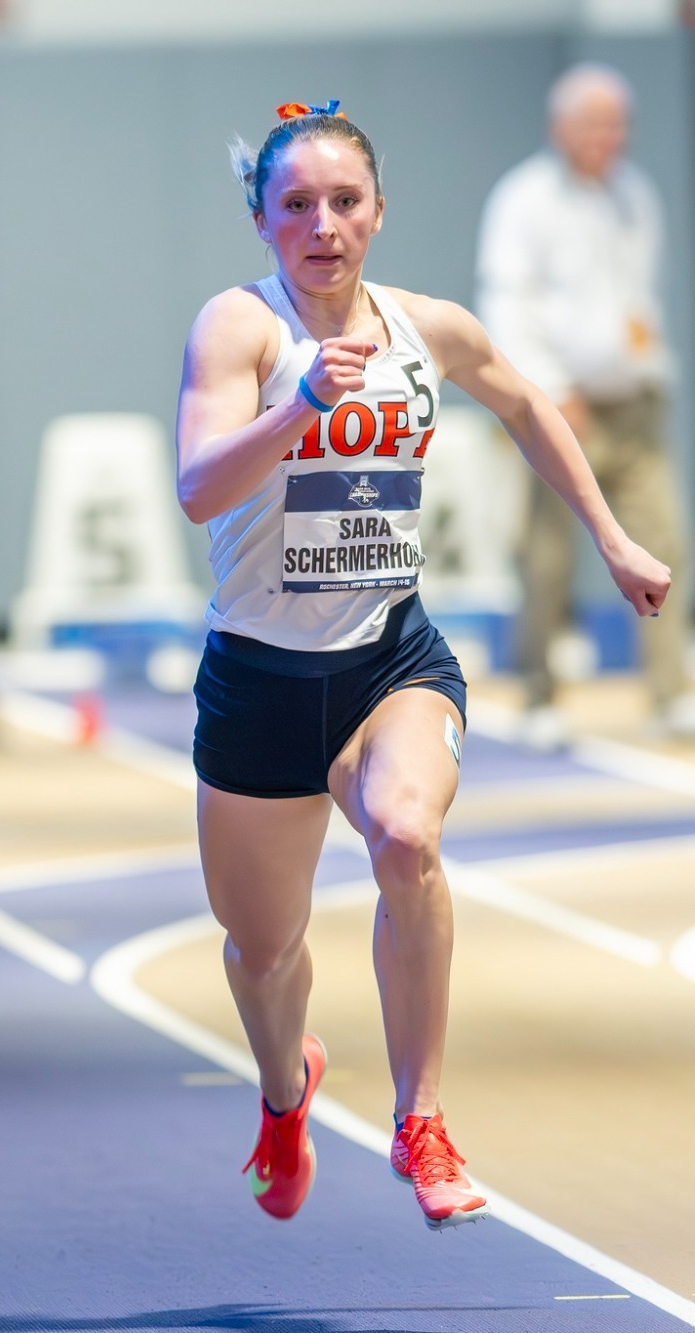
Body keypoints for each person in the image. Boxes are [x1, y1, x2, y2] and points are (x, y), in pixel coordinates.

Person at [175, 101, 669, 1231]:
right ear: (260, 219)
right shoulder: (238, 331)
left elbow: (525, 403)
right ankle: (282, 1090)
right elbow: (198, 484)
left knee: (405, 833)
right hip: (255, 683)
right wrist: (298, 404)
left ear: (378, 212)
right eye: (294, 204)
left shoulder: (425, 327)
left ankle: (419, 1117)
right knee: (261, 955)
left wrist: (608, 538)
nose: (321, 225)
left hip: (385, 662)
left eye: (343, 202)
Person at [478, 63, 688, 748]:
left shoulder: (633, 192)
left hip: (632, 405)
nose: (609, 137)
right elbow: (509, 301)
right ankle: (539, 693)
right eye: (595, 124)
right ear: (561, 128)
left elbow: (637, 296)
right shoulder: (526, 199)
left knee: (665, 543)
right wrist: (545, 389)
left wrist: (650, 369)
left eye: (617, 123)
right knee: (547, 555)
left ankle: (670, 692)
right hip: (559, 406)